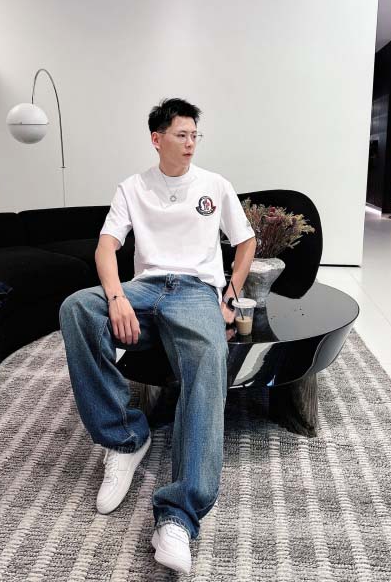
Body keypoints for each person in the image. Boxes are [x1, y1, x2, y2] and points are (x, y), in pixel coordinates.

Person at [59, 98, 256, 574]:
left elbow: (246, 241)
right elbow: (106, 247)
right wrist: (115, 297)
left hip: (196, 291)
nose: (190, 143)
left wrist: (230, 294)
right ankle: (125, 438)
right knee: (77, 309)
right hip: (145, 289)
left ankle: (178, 517)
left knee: (209, 358)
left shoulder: (215, 185)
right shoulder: (133, 187)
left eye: (194, 136)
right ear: (157, 138)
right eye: (181, 135)